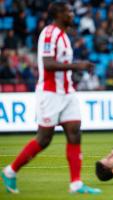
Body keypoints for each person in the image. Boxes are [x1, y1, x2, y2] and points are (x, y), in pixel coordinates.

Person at [1, 2, 101, 194]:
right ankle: (10, 171)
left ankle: (76, 184)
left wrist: (74, 68)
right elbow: (47, 64)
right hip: (50, 93)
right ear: (59, 14)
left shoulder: (64, 36)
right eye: (69, 12)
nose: (72, 15)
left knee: (74, 132)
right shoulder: (50, 33)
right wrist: (76, 66)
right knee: (44, 138)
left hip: (67, 91)